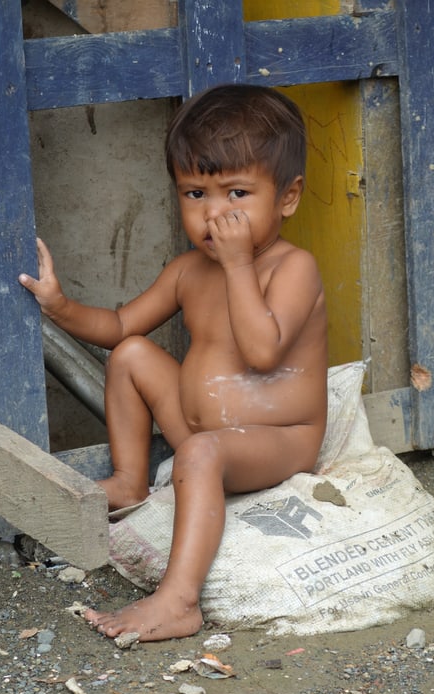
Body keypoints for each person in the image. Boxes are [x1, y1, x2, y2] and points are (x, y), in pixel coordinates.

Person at [18, 84, 328, 642]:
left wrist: (237, 267)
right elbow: (118, 327)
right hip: (200, 431)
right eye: (194, 195)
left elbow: (262, 351)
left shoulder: (293, 268)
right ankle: (130, 480)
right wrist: (60, 306)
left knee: (203, 451)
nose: (215, 215)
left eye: (237, 193)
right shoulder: (188, 269)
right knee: (133, 355)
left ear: (288, 197)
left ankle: (179, 601)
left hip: (277, 437)